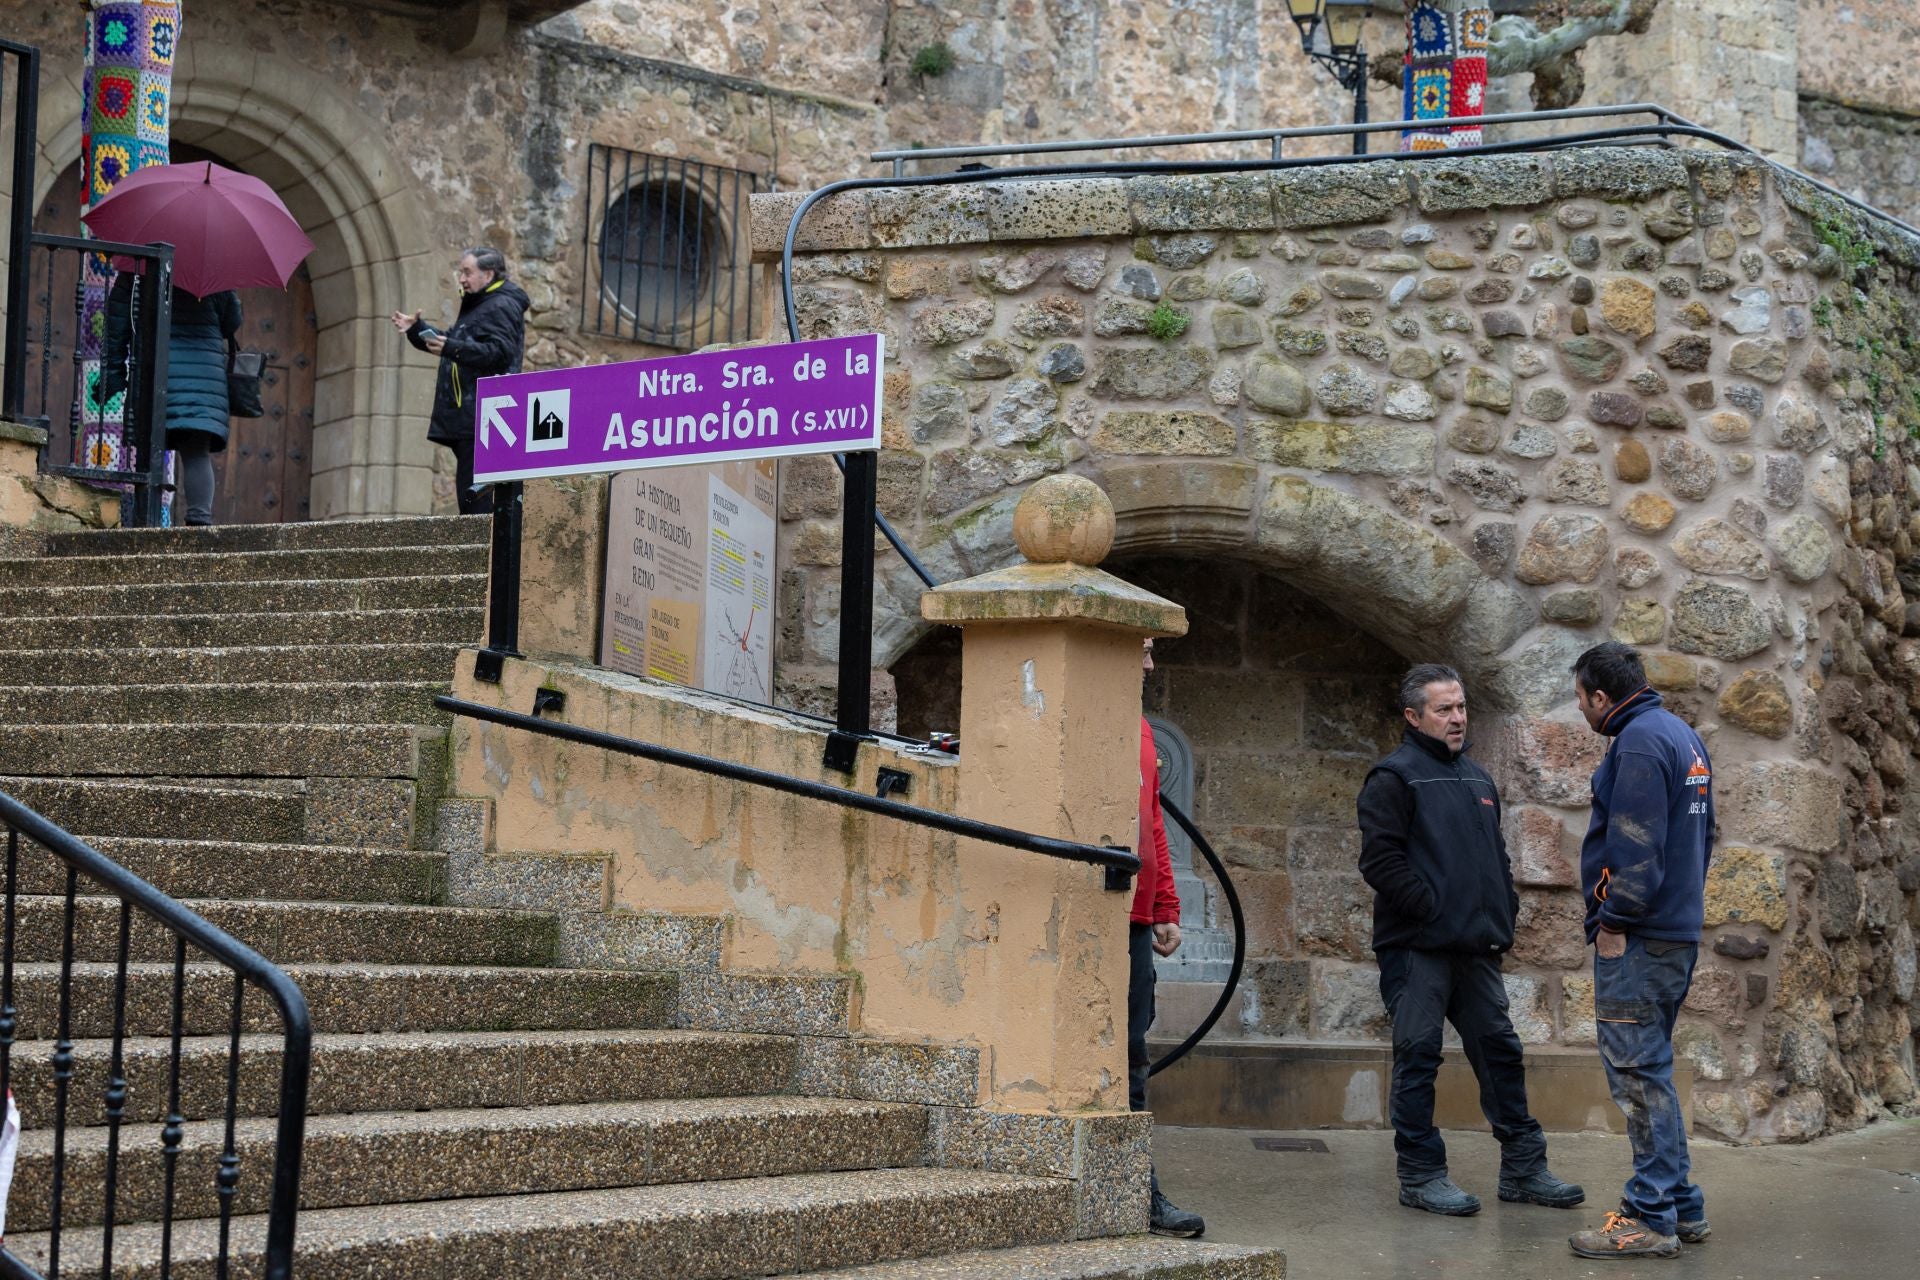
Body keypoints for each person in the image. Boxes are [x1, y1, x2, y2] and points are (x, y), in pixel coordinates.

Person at [1357, 663, 1583, 1217]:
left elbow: (1494, 860)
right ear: (1414, 716)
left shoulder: (1479, 779)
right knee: (1418, 1057)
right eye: (1444, 709)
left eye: (1461, 708)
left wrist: (1501, 908)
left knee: (1501, 1052)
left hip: (1476, 949)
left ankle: (1525, 1169)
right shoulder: (1393, 777)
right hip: (1417, 949)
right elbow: (1380, 862)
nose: (1458, 718)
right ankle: (1421, 1175)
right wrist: (1431, 909)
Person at [1565, 642, 1714, 1261]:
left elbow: (1635, 845)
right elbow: (1704, 838)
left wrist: (1614, 921)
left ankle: (1650, 1216)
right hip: (1674, 933)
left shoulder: (1637, 742)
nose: (1581, 712)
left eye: (1580, 700)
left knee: (1636, 1075)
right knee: (1651, 1070)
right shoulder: (1682, 736)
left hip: (1641, 936)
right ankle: (1682, 1206)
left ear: (1602, 697)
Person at [1131, 639, 1203, 1238]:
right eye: (1144, 649)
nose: (1151, 665)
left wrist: (1165, 905)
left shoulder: (1141, 730)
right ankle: (1134, 1190)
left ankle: (1134, 1188)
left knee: (1134, 1052)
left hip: (1134, 915)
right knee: (1124, 1054)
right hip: (1097, 910)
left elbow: (1153, 818)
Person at [391, 246, 530, 515]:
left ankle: (484, 556)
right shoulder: (480, 305)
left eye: (467, 272)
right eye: (461, 272)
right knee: (473, 502)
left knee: (477, 506)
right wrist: (417, 330)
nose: (462, 279)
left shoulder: (500, 305)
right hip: (471, 419)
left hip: (486, 419)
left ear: (488, 275)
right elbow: (456, 344)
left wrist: (451, 347)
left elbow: (499, 354)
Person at [98, 272, 241, 526]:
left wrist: (112, 378)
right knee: (196, 452)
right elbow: (232, 321)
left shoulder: (138, 267)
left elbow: (116, 324)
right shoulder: (210, 268)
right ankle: (199, 521)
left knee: (150, 449)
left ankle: (145, 521)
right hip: (203, 377)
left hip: (156, 371)